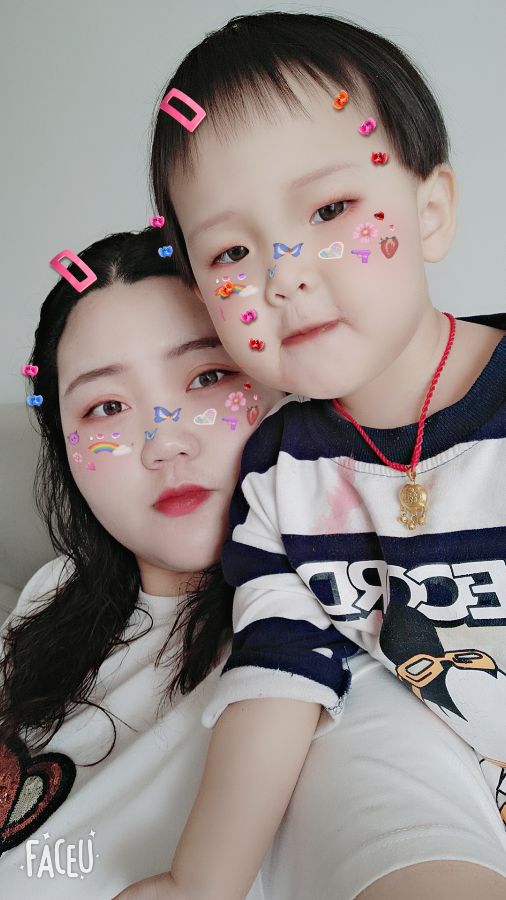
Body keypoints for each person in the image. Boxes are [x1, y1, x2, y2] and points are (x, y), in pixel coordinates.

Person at [115, 11, 506, 900]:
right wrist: (199, 881)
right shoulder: (279, 478)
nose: (281, 273)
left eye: (330, 210)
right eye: (230, 252)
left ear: (431, 211)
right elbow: (280, 677)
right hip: (446, 793)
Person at [0, 227, 283, 897]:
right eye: (107, 407)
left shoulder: (328, 637)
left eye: (208, 376)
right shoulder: (53, 589)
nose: (165, 442)